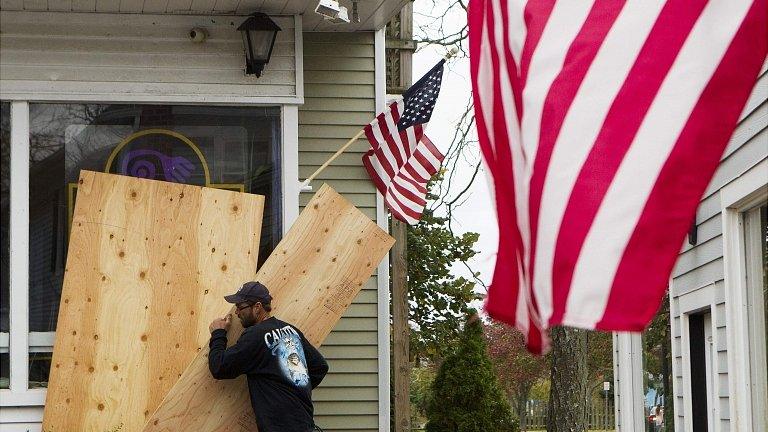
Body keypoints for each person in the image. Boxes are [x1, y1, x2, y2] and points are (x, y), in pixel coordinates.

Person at [208, 281, 329, 432]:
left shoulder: (255, 336)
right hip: (304, 423)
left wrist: (218, 333)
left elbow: (219, 367)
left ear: (257, 307)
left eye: (240, 307)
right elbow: (320, 366)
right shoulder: (290, 330)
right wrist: (296, 390)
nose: (237, 312)